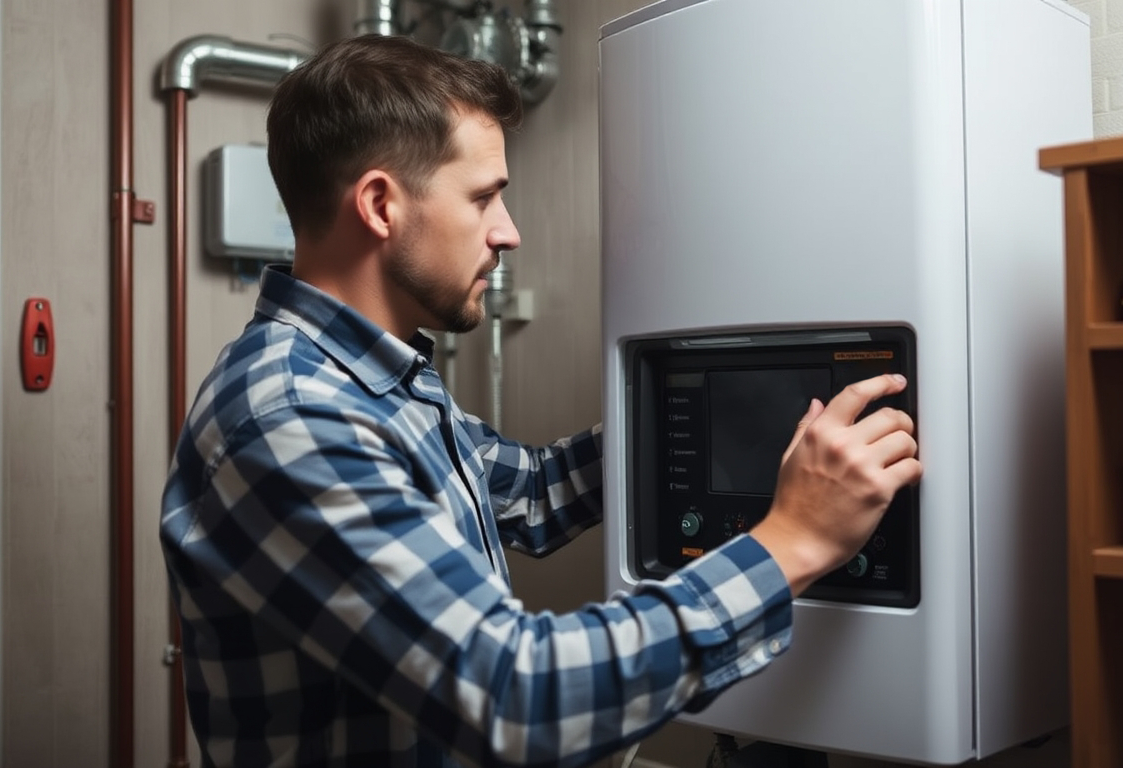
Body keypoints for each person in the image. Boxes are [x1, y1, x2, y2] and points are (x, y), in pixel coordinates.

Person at [160, 34, 922, 768]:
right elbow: (518, 697)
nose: (509, 232)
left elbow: (531, 491)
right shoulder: (294, 415)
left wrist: (707, 410)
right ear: (382, 206)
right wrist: (796, 538)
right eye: (485, 196)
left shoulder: (377, 379)